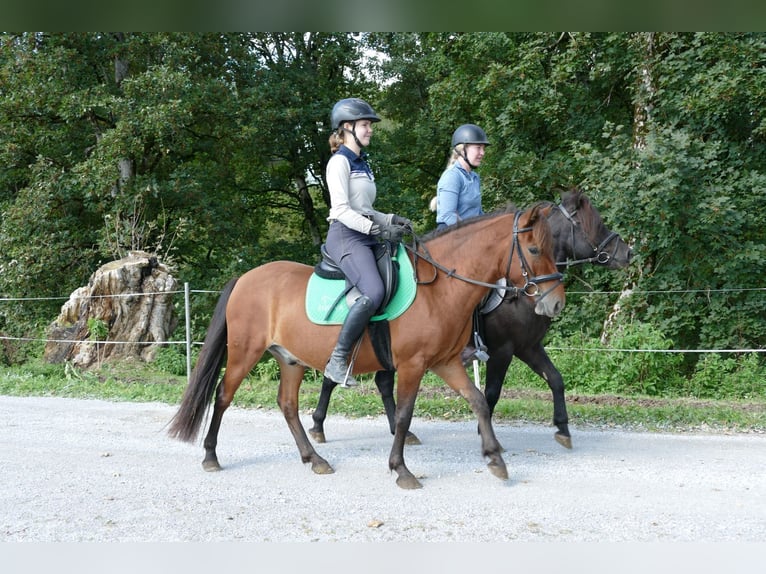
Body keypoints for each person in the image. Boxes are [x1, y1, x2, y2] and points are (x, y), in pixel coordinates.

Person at [323, 97, 412, 388]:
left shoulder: (362, 163)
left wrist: (391, 220)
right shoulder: (339, 162)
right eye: (364, 125)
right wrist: (376, 230)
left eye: (370, 126)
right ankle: (337, 360)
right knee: (373, 290)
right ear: (347, 127)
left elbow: (364, 207)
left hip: (365, 233)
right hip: (346, 236)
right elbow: (341, 210)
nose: (370, 130)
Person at [435, 123, 490, 229]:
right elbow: (448, 215)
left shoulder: (474, 177)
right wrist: (472, 233)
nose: (482, 153)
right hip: (450, 235)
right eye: (478, 148)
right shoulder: (452, 176)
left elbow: (477, 213)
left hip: (469, 235)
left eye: (483, 148)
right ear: (462, 150)